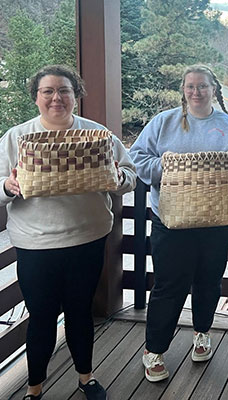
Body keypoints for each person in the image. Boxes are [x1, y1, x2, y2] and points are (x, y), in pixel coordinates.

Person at [0, 65, 136, 400]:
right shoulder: (17, 138)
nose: (56, 98)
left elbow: (130, 174)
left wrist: (119, 179)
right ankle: (34, 388)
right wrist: (8, 184)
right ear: (36, 97)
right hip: (35, 243)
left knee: (80, 312)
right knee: (42, 317)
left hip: (87, 239)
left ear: (76, 96)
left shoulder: (98, 135)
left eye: (64, 90)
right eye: (48, 91)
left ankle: (85, 377)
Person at [129, 64, 228, 383]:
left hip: (220, 219)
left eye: (203, 86)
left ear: (214, 89)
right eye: (190, 86)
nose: (196, 92)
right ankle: (154, 350)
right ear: (183, 90)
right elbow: (137, 157)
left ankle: (202, 332)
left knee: (209, 279)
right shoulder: (163, 122)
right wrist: (167, 168)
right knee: (169, 284)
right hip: (170, 219)